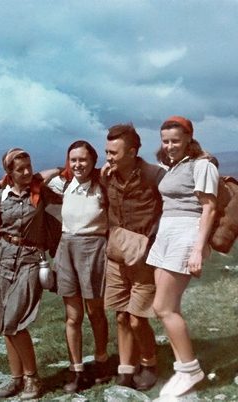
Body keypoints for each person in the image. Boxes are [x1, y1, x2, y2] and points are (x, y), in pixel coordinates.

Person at [0, 148, 61, 400]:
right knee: (5, 323)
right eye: (20, 169)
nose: (26, 172)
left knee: (14, 321)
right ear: (9, 173)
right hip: (3, 258)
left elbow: (61, 171)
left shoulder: (39, 191)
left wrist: (38, 176)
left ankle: (32, 379)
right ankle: (16, 379)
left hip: (30, 260)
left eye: (29, 166)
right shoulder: (1, 195)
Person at [146, 116, 218, 397]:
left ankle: (191, 370)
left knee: (163, 306)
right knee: (166, 306)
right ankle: (182, 368)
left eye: (175, 140)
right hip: (166, 232)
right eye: (165, 141)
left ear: (189, 138)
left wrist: (198, 249)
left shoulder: (202, 165)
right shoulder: (174, 165)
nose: (170, 145)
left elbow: (209, 208)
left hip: (187, 233)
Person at [101, 123, 165, 390]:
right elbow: (72, 172)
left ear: (132, 152)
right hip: (116, 254)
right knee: (120, 316)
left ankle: (149, 363)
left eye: (114, 152)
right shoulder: (107, 175)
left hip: (144, 256)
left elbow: (174, 202)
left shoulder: (154, 175)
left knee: (138, 317)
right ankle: (126, 369)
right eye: (106, 152)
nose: (108, 158)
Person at [45, 140, 110, 392]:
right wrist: (61, 169)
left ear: (93, 161)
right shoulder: (65, 184)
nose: (78, 164)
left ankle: (102, 361)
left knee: (95, 312)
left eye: (83, 159)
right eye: (73, 159)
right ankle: (76, 369)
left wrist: (100, 172)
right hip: (67, 249)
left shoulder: (102, 186)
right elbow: (40, 178)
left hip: (94, 249)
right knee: (73, 316)